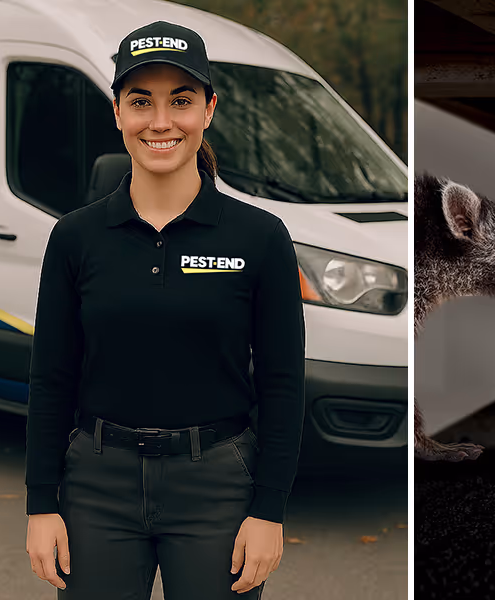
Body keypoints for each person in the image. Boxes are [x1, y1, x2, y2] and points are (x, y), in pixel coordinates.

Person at [21, 21, 305, 598]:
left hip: (218, 487)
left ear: (209, 110)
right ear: (118, 113)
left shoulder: (260, 237)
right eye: (140, 101)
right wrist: (40, 504)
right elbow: (51, 379)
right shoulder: (76, 238)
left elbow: (282, 383)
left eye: (181, 100)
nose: (160, 121)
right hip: (97, 487)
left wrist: (269, 510)